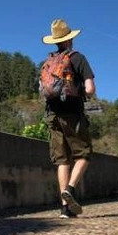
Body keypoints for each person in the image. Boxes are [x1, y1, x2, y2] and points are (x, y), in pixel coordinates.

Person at [41, 19, 96, 218]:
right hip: (72, 114)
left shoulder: (49, 61)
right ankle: (70, 190)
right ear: (70, 39)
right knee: (84, 154)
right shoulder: (78, 58)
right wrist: (80, 92)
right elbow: (90, 89)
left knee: (62, 160)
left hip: (51, 115)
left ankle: (65, 209)